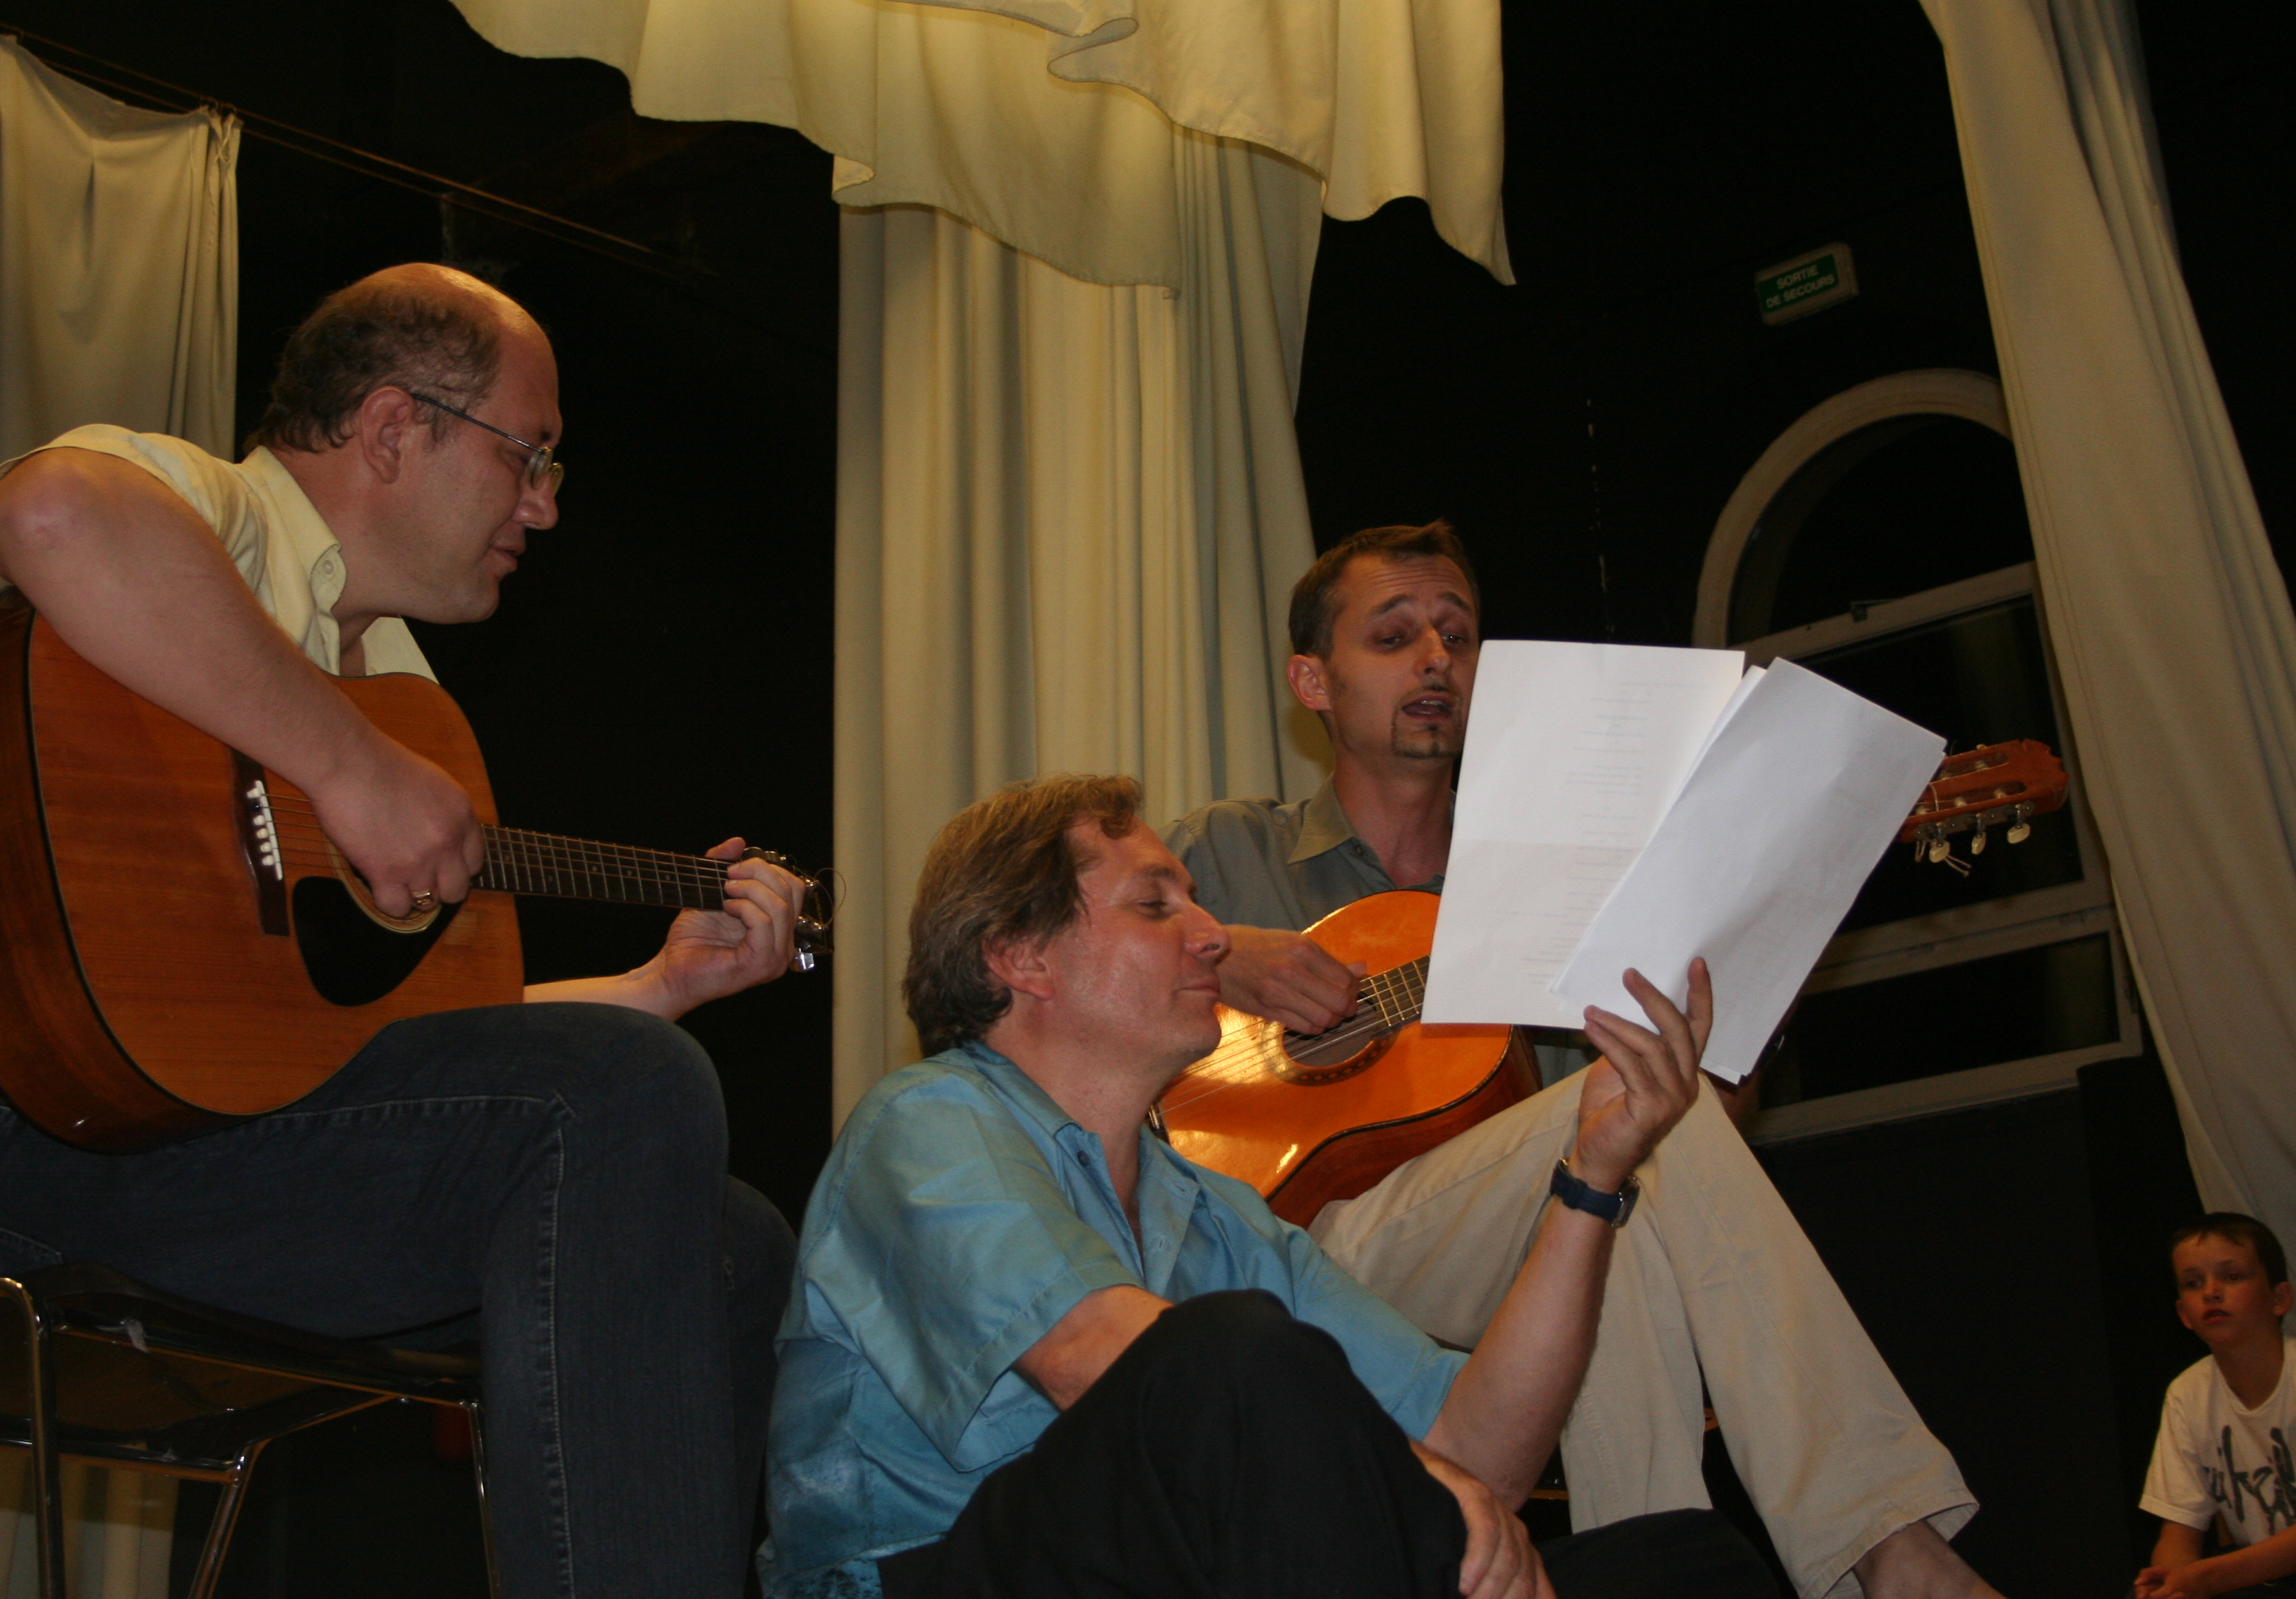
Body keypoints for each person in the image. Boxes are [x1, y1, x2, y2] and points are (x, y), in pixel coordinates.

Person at [0, 265, 798, 1599]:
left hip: (177, 1151)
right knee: (619, 1096)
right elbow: (50, 512)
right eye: (529, 455)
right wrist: (347, 766)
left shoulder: (401, 693)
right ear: (394, 426)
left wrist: (657, 984)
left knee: (726, 1243)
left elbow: (400, 1063)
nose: (544, 504)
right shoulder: (219, 515)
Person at [1164, 520, 2000, 1599]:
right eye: (1396, 636)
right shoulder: (1224, 850)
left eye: (1459, 635)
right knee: (1609, 1179)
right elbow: (1036, 974)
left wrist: (1750, 981)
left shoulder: (1549, 893)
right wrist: (1225, 955)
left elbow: (1675, 1140)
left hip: (1496, 1258)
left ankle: (1658, 1574)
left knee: (1622, 1184)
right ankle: (1890, 1545)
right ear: (1312, 681)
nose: (1437, 659)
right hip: (1267, 1246)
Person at [760, 772, 1780, 1599]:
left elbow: (1479, 1454)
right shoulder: (929, 1121)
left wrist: (1592, 1178)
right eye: (1156, 906)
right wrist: (1423, 1486)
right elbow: (1102, 1361)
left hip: (1185, 1562)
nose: (1212, 933)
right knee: (1233, 1352)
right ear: (1022, 958)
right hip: (928, 1577)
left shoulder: (1211, 1213)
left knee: (1689, 1566)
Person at [2137, 1213, 2296, 1599]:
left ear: (2280, 1298)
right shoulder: (2187, 1394)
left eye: (2232, 1276)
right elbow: (2179, 1533)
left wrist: (2209, 1578)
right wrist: (2170, 1583)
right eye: (2194, 1283)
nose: (2211, 1292)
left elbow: (2215, 1576)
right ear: (2183, 1314)